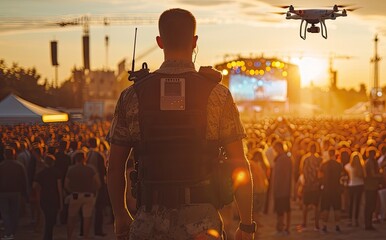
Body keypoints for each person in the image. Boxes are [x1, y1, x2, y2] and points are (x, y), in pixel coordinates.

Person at [107, 8, 254, 240]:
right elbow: (239, 163)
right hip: (202, 224)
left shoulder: (132, 95)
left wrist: (120, 214)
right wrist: (246, 224)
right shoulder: (218, 94)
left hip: (149, 222)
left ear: (159, 41)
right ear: (194, 42)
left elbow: (115, 167)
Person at [65, 151, 101, 240]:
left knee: (71, 217)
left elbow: (66, 184)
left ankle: (69, 237)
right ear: (84, 158)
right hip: (88, 195)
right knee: (87, 218)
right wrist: (94, 190)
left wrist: (71, 190)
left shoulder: (71, 169)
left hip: (75, 195)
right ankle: (85, 237)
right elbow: (98, 183)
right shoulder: (91, 169)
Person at [0, 147, 28, 240]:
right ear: (14, 154)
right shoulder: (19, 165)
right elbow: (24, 180)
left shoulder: (1, 166)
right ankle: (12, 230)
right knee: (14, 212)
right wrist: (25, 193)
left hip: (3, 192)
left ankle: (8, 232)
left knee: (5, 213)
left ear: (5, 155)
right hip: (16, 192)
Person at [33, 154, 63, 240]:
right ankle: (48, 235)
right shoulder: (57, 172)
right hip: (54, 198)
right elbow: (59, 188)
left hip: (44, 198)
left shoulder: (41, 173)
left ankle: (47, 235)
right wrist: (61, 202)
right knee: (51, 219)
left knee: (46, 217)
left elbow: (34, 185)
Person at [86, 137, 109, 237]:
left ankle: (84, 231)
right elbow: (103, 171)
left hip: (87, 184)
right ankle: (98, 230)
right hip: (98, 184)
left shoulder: (85, 154)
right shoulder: (99, 155)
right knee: (99, 208)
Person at [319, 148, 343, 234]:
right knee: (337, 208)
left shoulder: (324, 164)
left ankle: (324, 226)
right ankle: (337, 226)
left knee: (325, 208)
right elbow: (341, 176)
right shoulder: (339, 165)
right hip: (336, 189)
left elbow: (320, 176)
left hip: (326, 189)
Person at [299, 142, 322, 231]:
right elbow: (321, 173)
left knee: (305, 205)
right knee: (316, 206)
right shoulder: (319, 159)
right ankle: (316, 225)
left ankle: (304, 223)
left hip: (307, 185)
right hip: (316, 186)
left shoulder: (305, 159)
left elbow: (302, 171)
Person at [272, 141, 292, 235]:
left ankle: (283, 228)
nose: (275, 150)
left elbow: (286, 175)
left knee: (283, 210)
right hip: (281, 188)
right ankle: (282, 227)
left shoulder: (284, 159)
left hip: (283, 189)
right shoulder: (282, 158)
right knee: (282, 209)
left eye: (276, 148)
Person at [363, 148, 383, 230]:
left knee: (371, 205)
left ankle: (368, 223)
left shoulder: (370, 162)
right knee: (370, 206)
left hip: (371, 186)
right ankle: (368, 224)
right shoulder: (370, 162)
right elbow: (372, 174)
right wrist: (381, 175)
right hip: (370, 186)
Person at [345, 152, 365, 227]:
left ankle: (350, 219)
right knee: (358, 203)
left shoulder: (348, 166)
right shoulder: (362, 167)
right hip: (360, 185)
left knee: (351, 203)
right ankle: (356, 219)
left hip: (352, 185)